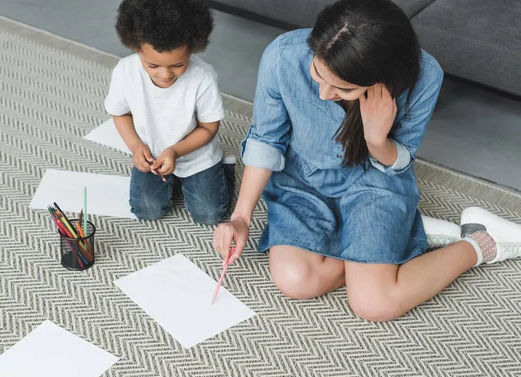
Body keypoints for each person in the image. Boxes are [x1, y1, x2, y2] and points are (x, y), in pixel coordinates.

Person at [213, 0, 521, 321]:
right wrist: (241, 217)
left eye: (343, 88)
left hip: (375, 182)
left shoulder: (425, 76)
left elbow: (399, 161)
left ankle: (480, 241)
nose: (323, 93)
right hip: (303, 181)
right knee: (297, 281)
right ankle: (402, 238)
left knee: (375, 305)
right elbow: (266, 140)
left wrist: (377, 140)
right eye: (317, 73)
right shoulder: (283, 56)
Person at [105, 0, 235, 225]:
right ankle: (174, 180)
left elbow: (208, 127)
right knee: (146, 210)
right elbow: (121, 114)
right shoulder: (125, 72)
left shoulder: (203, 78)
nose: (165, 75)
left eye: (178, 64)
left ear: (192, 48)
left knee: (210, 215)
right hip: (152, 157)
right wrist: (136, 147)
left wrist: (175, 151)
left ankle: (226, 169)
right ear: (136, 48)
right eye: (153, 66)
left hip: (196, 155)